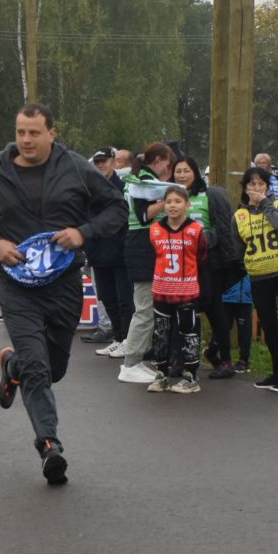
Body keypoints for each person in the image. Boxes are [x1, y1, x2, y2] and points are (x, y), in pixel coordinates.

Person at [0, 104, 126, 485]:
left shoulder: (76, 169)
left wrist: (83, 233)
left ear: (51, 133)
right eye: (21, 132)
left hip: (63, 284)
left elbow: (116, 208)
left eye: (34, 132)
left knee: (53, 368)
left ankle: (13, 366)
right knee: (39, 367)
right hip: (17, 285)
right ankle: (49, 444)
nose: (26, 139)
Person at [170, 155, 243, 378]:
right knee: (184, 312)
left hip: (208, 263)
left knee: (214, 311)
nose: (182, 175)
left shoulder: (210, 194)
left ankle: (226, 361)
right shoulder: (172, 197)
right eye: (178, 171)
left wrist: (200, 238)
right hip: (181, 265)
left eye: (186, 171)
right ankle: (183, 359)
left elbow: (223, 228)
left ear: (196, 173)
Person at [235, 167, 278, 391]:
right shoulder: (240, 214)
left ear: (267, 186)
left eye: (261, 184)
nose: (256, 188)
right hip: (258, 275)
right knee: (269, 325)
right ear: (245, 188)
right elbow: (238, 246)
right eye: (252, 184)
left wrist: (263, 203)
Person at [116, 142, 176, 384]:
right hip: (142, 245)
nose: (168, 170)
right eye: (168, 165)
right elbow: (143, 215)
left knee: (149, 307)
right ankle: (131, 362)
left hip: (145, 245)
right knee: (144, 308)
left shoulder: (142, 177)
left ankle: (137, 359)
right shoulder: (143, 181)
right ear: (160, 160)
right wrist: (169, 199)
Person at [145, 185, 206, 394]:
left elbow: (202, 257)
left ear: (187, 205)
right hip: (162, 289)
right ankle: (161, 373)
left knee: (189, 333)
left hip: (187, 290)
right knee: (161, 333)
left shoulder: (195, 230)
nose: (172, 206)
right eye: (169, 201)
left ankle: (191, 376)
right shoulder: (155, 230)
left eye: (178, 201)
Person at [85, 149, 132, 355]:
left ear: (113, 162)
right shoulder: (88, 187)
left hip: (120, 252)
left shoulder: (124, 187)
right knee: (106, 297)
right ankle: (118, 336)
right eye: (97, 162)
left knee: (125, 300)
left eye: (103, 161)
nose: (100, 165)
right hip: (98, 251)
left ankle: (128, 340)